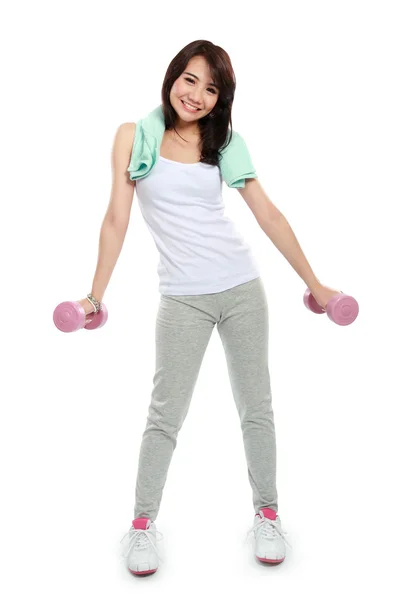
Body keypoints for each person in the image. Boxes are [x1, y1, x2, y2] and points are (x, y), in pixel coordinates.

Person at [78, 40, 341, 576]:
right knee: (164, 416)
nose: (196, 95)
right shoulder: (136, 135)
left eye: (211, 87)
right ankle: (142, 525)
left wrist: (317, 285)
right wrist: (94, 296)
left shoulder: (225, 142)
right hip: (182, 299)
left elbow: (267, 214)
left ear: (222, 98)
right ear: (173, 76)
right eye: (190, 79)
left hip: (242, 288)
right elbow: (115, 220)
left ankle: (267, 513)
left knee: (256, 408)